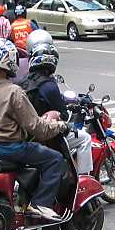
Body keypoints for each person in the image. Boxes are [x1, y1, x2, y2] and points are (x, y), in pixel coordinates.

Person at [0, 39, 70, 221]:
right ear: (9, 60)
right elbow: (37, 128)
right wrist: (60, 126)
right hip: (11, 148)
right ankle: (41, 203)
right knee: (55, 159)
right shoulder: (14, 92)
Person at [18, 42, 93, 174]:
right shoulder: (49, 85)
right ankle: (83, 178)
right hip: (45, 134)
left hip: (26, 133)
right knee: (85, 138)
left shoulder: (25, 81)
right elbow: (64, 114)